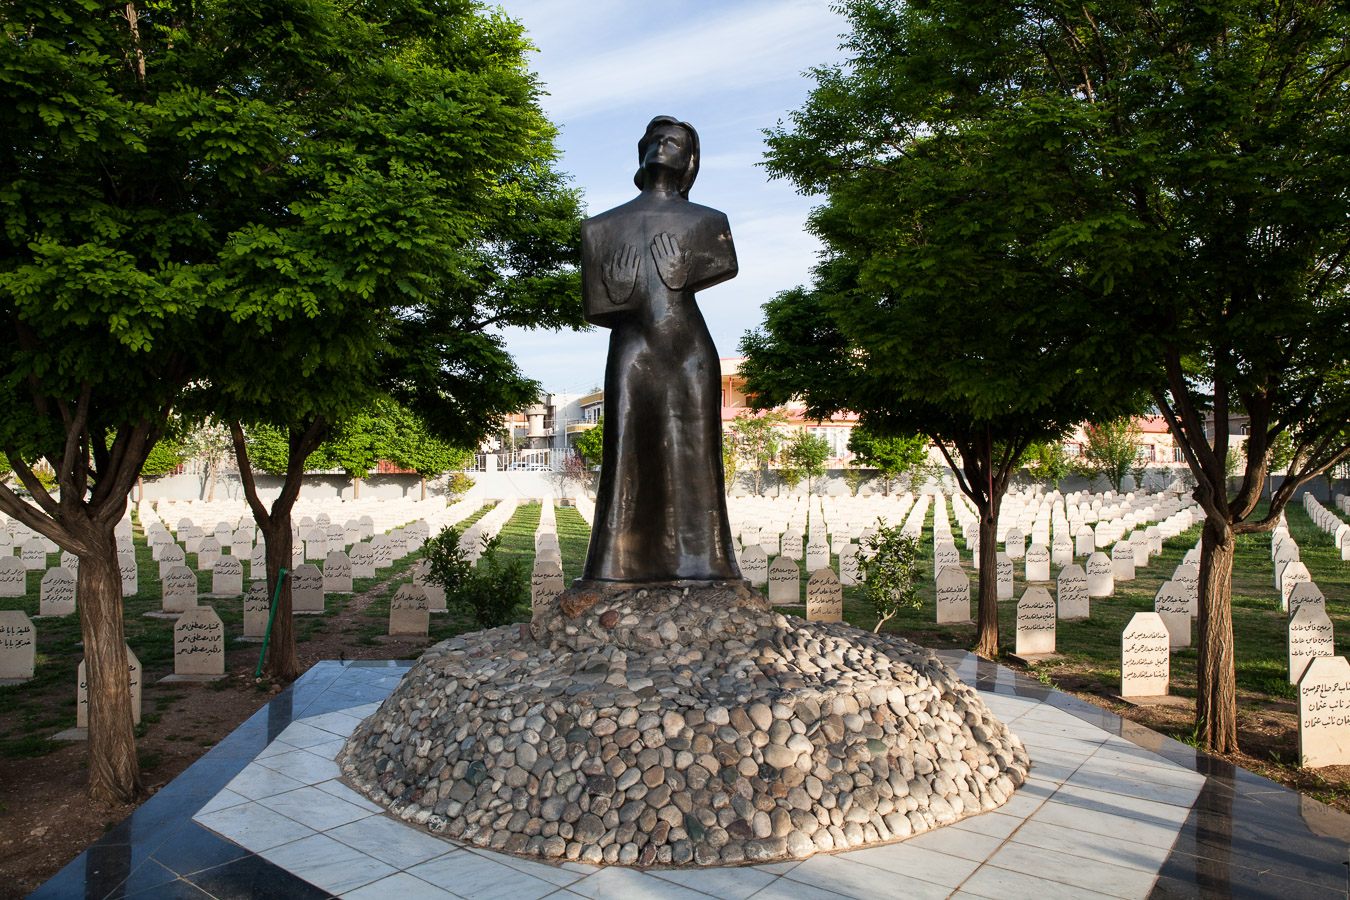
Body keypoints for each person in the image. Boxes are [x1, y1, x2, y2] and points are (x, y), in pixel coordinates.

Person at [578, 116, 741, 583]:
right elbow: (595, 305)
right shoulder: (601, 228)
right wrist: (618, 290)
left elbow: (723, 265)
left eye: (676, 142)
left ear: (690, 160)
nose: (663, 146)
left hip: (689, 348)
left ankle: (707, 563)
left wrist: (681, 273)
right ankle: (615, 566)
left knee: (698, 457)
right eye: (657, 139)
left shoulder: (709, 223)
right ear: (642, 150)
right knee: (625, 451)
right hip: (633, 346)